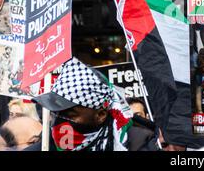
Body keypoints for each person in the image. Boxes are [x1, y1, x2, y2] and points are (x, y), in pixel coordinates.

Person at [27, 57, 158, 151]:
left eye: (70, 114)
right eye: (55, 112)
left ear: (100, 115)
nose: (58, 120)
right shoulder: (45, 145)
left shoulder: (139, 143)